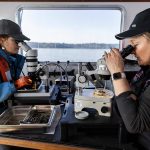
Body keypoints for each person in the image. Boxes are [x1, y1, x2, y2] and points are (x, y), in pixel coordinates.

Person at [105, 8, 150, 150]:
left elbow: (135, 124)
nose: (133, 52)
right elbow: (128, 101)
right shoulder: (145, 71)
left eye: (135, 45)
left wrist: (118, 73)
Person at [0, 19, 32, 104]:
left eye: (20, 42)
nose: (19, 45)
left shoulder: (11, 60)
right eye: (16, 41)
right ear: (2, 40)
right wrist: (17, 84)